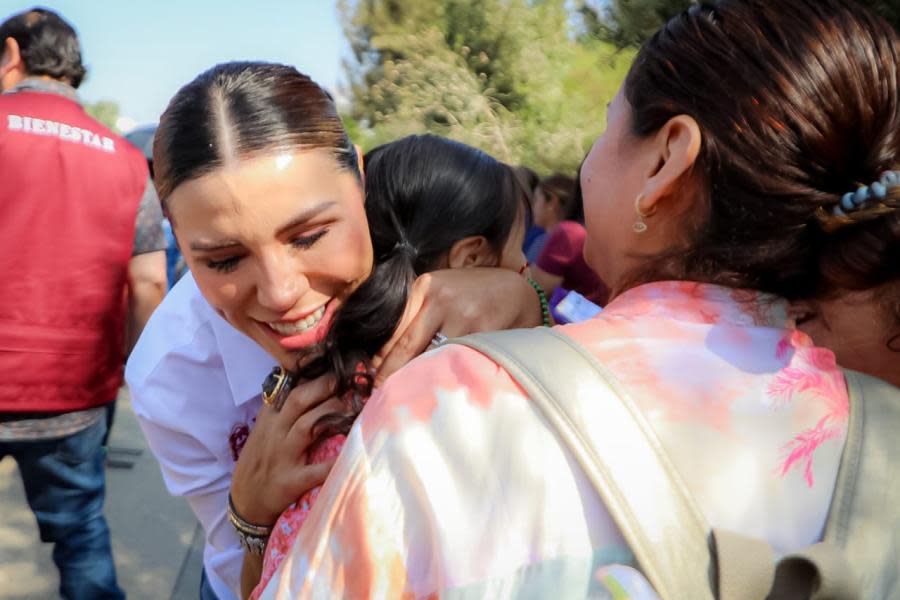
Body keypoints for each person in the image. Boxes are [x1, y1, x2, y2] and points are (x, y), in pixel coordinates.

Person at [260, 0, 900, 597]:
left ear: (665, 162)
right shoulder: (879, 420)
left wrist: (249, 522)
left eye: (607, 128)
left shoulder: (450, 405)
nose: (590, 161)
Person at [125, 62, 543, 600]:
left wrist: (524, 299)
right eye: (225, 261)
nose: (280, 292)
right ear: (179, 244)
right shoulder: (171, 376)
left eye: (310, 236)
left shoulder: (432, 255)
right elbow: (236, 575)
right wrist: (249, 515)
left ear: (361, 185)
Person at [247, 133, 528, 598]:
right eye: (521, 250)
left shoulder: (316, 372)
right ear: (472, 256)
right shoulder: (477, 399)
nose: (527, 267)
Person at [0, 8, 167, 599]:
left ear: (13, 55)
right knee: (80, 537)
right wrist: (131, 371)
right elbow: (149, 282)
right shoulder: (125, 160)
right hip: (73, 394)